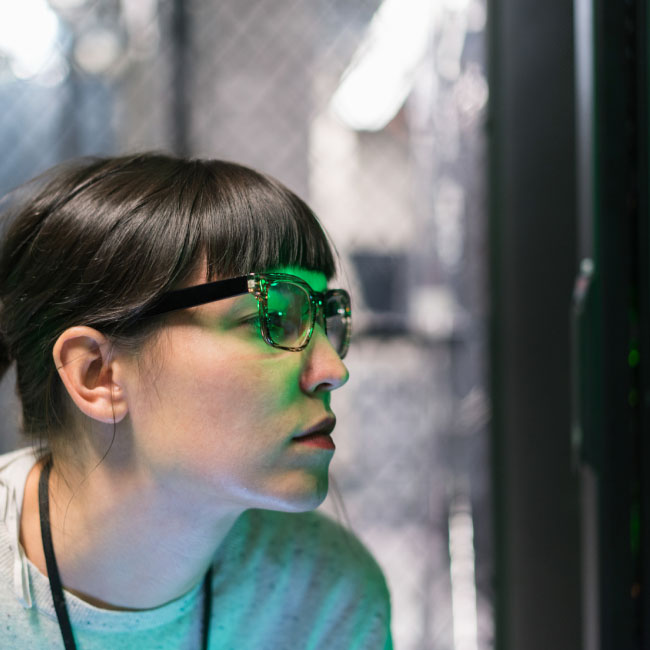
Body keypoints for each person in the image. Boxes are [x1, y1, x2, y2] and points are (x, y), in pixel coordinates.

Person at [0, 153, 392, 649]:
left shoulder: (325, 592)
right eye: (270, 318)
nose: (333, 371)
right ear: (98, 374)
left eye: (324, 316)